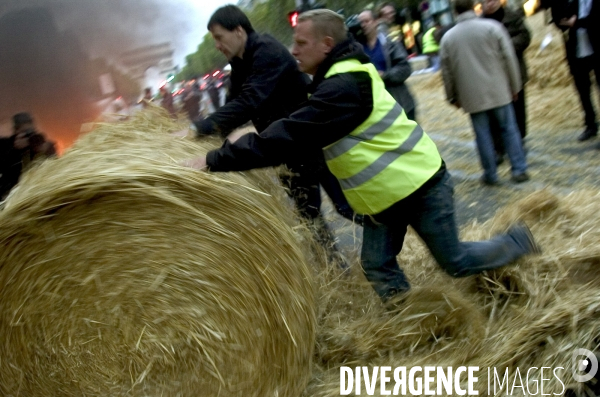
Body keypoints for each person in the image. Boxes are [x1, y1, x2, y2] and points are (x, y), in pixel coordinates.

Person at [182, 9, 541, 301]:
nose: (292, 50)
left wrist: (215, 159)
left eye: (301, 42)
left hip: (419, 186)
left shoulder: (342, 86)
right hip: (386, 196)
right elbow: (262, 113)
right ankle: (407, 318)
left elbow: (289, 134)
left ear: (325, 45)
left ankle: (518, 242)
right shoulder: (330, 78)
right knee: (377, 265)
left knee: (456, 261)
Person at [190, 4, 359, 250]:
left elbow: (248, 101)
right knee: (308, 218)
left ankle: (386, 242)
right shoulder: (239, 63)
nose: (217, 45)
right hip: (284, 147)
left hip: (311, 141)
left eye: (219, 37)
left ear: (238, 31)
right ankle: (337, 270)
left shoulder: (267, 51)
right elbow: (233, 108)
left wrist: (198, 129)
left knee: (346, 206)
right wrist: (214, 141)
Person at [440, 0, 529, 185]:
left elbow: (447, 73)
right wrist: (515, 86)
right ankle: (519, 168)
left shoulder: (448, 38)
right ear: (474, 6)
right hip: (499, 89)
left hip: (472, 95)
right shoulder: (492, 27)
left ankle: (490, 174)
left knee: (483, 135)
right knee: (509, 130)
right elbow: (509, 58)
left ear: (455, 11)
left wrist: (452, 96)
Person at [482, 0, 531, 161]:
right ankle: (499, 148)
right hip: (493, 75)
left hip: (515, 70)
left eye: (493, 0)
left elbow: (525, 36)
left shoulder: (512, 15)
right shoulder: (480, 23)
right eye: (486, 1)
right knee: (494, 114)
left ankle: (520, 142)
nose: (490, 4)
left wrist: (506, 47)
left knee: (518, 109)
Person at [545, 0, 599, 143]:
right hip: (575, 49)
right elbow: (557, 19)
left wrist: (577, 22)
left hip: (595, 47)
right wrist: (567, 22)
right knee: (582, 90)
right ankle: (590, 125)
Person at [358, 9, 417, 120]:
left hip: (399, 102)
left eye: (367, 21)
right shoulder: (357, 48)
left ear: (375, 22)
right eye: (361, 22)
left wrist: (385, 75)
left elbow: (405, 68)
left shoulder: (390, 43)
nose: (363, 25)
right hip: (375, 109)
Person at [0, 112, 56, 200]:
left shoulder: (40, 143)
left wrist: (45, 150)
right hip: (10, 197)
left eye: (31, 132)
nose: (29, 136)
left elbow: (55, 165)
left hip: (36, 195)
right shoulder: (6, 145)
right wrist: (15, 149)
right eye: (24, 132)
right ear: (16, 131)